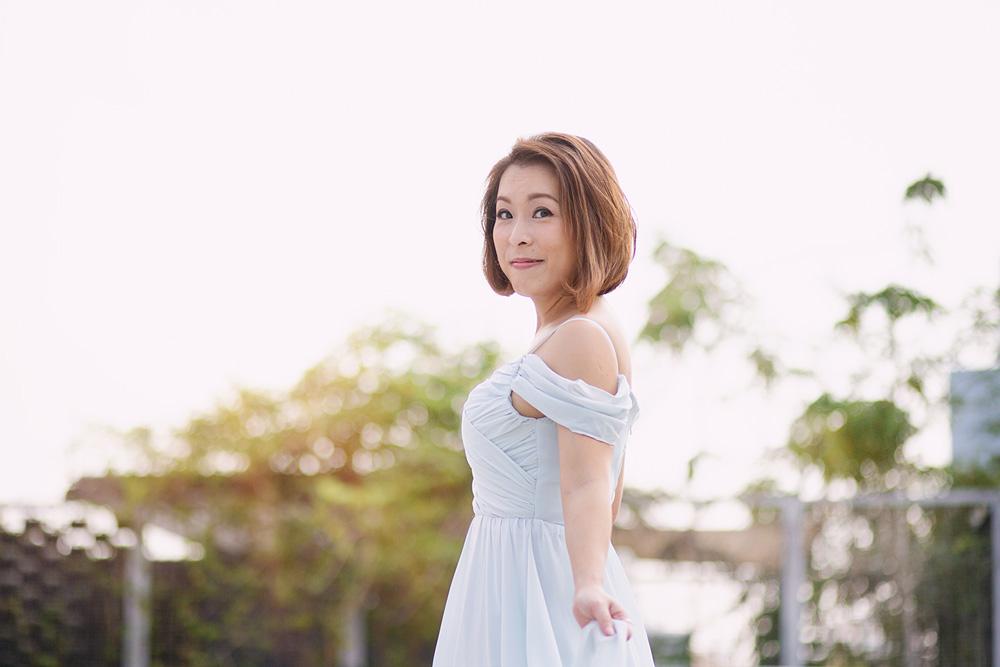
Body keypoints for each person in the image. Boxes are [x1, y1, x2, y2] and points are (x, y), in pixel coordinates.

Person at [432, 132, 656, 666]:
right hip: (521, 576)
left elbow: (589, 483)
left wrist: (584, 585)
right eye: (504, 215)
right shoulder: (579, 329)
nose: (517, 236)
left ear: (589, 221)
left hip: (538, 586)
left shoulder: (580, 335)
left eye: (542, 213)